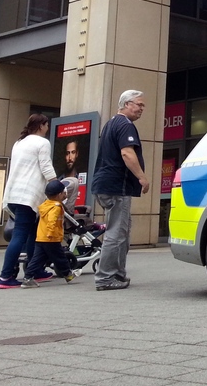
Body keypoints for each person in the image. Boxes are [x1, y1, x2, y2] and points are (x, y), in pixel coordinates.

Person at [90, 90, 150, 291]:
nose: (142, 108)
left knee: (121, 230)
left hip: (105, 185)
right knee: (116, 232)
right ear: (125, 104)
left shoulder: (111, 123)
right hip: (117, 186)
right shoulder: (125, 125)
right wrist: (141, 177)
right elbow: (127, 152)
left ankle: (116, 274)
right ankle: (106, 278)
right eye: (139, 104)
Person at [0, 114, 57, 288]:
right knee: (21, 235)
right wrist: (58, 187)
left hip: (13, 194)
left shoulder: (19, 143)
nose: (47, 129)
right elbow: (46, 166)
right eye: (46, 125)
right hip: (28, 196)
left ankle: (35, 270)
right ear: (41, 126)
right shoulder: (42, 143)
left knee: (32, 233)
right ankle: (5, 276)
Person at [21, 179, 76, 287]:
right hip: (51, 238)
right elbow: (52, 221)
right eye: (64, 192)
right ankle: (68, 275)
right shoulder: (56, 207)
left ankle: (27, 278)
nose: (65, 194)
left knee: (37, 259)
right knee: (60, 258)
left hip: (41, 238)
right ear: (59, 194)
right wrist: (51, 233)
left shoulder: (45, 204)